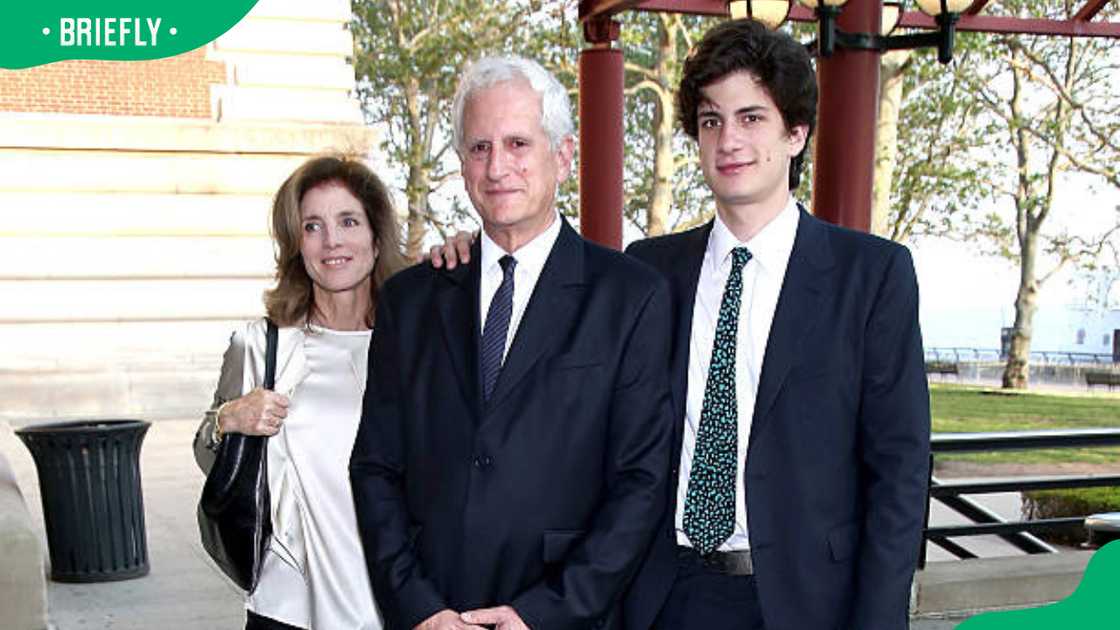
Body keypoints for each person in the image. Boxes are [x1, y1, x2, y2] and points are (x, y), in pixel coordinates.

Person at [432, 19, 931, 630]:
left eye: (751, 118)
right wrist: (479, 255)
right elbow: (554, 306)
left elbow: (900, 474)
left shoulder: (871, 275)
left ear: (796, 132)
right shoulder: (648, 271)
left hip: (807, 602)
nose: (729, 140)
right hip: (663, 597)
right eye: (711, 121)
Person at [349, 56, 675, 630]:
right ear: (462, 165)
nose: (497, 166)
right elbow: (375, 467)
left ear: (563, 156)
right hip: (435, 613)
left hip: (562, 616)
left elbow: (641, 482)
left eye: (518, 144)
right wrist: (419, 606)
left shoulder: (630, 297)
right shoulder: (411, 301)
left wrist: (544, 613)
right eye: (479, 148)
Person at [194, 154, 407, 630]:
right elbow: (209, 455)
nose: (332, 241)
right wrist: (227, 420)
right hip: (289, 608)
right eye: (313, 226)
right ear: (296, 244)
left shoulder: (416, 343)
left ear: (376, 236)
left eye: (348, 221)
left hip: (397, 606)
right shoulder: (261, 345)